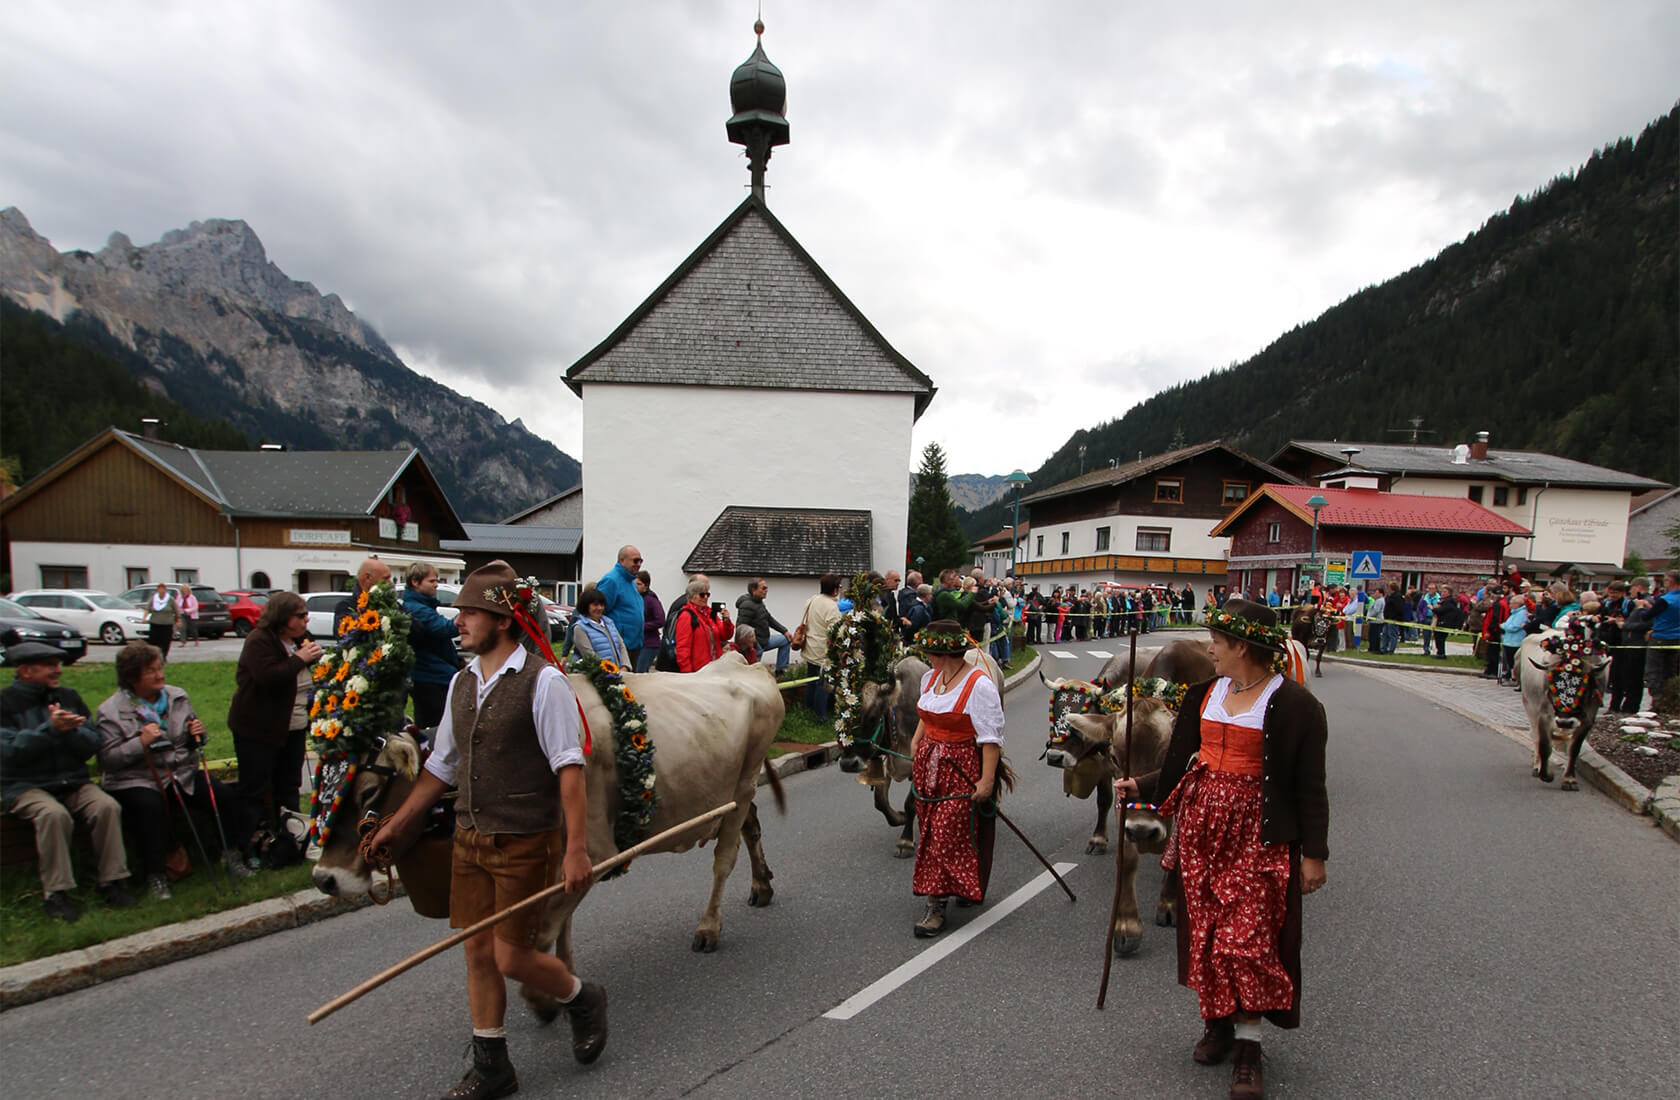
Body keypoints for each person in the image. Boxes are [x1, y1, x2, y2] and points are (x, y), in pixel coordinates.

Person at [367, 560, 604, 1099]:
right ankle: (493, 1065)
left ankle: (582, 997)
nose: (459, 622)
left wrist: (575, 850)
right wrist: (397, 825)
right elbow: (439, 767)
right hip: (469, 838)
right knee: (477, 954)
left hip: (524, 840)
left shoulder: (544, 682)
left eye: (470, 612)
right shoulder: (461, 682)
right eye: (459, 612)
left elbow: (570, 770)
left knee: (511, 957)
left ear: (502, 619)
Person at [1117, 598, 1328, 1100]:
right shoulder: (1204, 694)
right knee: (1208, 935)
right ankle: (1216, 1023)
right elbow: (1184, 763)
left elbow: (1310, 787)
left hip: (1258, 834)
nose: (1209, 647)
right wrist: (1142, 787)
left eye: (1217, 640)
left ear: (1242, 645)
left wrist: (1315, 853)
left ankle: (1250, 1048)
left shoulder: (1297, 706)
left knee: (1247, 941)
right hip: (1201, 829)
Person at [96, 642, 250, 898]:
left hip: (181, 772)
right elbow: (108, 760)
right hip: (137, 779)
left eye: (160, 668)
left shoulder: (177, 696)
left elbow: (192, 737)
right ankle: (156, 876)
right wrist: (140, 743)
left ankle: (232, 855)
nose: (160, 675)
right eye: (151, 671)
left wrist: (197, 735)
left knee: (221, 795)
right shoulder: (110, 711)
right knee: (150, 808)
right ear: (132, 678)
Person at [2, 643, 136, 920]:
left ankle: (112, 881)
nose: (58, 671)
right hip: (25, 785)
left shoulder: (68, 697)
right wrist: (50, 730)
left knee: (106, 807)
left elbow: (93, 743)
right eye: (50, 665)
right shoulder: (4, 704)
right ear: (27, 670)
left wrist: (69, 732)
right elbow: (10, 752)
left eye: (58, 664)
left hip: (72, 781)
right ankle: (56, 893)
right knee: (53, 815)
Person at [906, 620, 1006, 938]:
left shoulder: (979, 685)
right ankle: (956, 886)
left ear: (945, 653)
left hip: (960, 767)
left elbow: (990, 739)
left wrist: (987, 781)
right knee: (930, 830)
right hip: (928, 766)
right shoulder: (930, 678)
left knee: (946, 834)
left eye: (930, 653)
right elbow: (926, 714)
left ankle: (936, 905)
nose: (927, 658)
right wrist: (916, 742)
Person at [227, 592, 322, 864]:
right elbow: (269, 677)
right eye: (300, 615)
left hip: (292, 725)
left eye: (306, 615)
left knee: (288, 786)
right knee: (255, 789)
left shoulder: (302, 639)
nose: (306, 620)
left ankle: (290, 840)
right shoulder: (259, 641)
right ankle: (246, 847)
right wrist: (300, 659)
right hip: (257, 728)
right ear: (283, 619)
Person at [402, 562, 462, 733]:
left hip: (434, 674)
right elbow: (445, 629)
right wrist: (467, 611)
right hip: (431, 677)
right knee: (437, 727)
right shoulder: (417, 609)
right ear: (415, 582)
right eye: (431, 581)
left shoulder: (423, 607)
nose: (436, 584)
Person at [799, 574, 844, 720]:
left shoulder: (812, 600)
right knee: (823, 684)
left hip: (809, 647)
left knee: (811, 680)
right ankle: (821, 715)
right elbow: (835, 633)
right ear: (835, 590)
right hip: (823, 652)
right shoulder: (832, 608)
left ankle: (809, 708)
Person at [597, 545, 646, 671]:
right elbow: (597, 612)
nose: (639, 564)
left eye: (641, 561)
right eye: (635, 560)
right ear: (622, 560)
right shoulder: (611, 581)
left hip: (634, 643)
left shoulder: (631, 582)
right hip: (620, 646)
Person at [672, 575, 732, 673]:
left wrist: (727, 622)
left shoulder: (709, 613)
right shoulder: (686, 616)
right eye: (702, 595)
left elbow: (725, 635)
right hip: (698, 670)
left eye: (707, 595)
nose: (705, 597)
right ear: (692, 596)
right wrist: (687, 673)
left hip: (714, 666)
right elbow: (683, 648)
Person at [735, 578, 792, 673]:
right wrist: (754, 644)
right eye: (763, 588)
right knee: (752, 673)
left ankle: (780, 672)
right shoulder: (747, 605)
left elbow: (769, 618)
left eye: (767, 588)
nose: (766, 590)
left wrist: (784, 631)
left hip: (765, 640)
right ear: (754, 590)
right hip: (755, 645)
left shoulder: (758, 601)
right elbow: (740, 628)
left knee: (785, 640)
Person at [1643, 571, 1680, 710]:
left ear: (1671, 581)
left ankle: (1657, 701)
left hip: (1660, 637)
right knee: (1670, 671)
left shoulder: (1665, 599)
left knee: (1654, 671)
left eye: (1666, 580)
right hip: (1676, 638)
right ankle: (1670, 698)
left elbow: (1646, 617)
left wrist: (1641, 608)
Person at [333, 558, 393, 640]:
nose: (390, 583)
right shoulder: (346, 607)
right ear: (367, 577)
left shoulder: (391, 604)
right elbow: (347, 639)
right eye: (385, 578)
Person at [570, 587, 631, 666]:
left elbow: (621, 645)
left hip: (618, 672)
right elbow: (589, 656)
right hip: (600, 674)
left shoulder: (609, 623)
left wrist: (625, 666)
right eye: (595, 605)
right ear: (586, 606)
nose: (599, 608)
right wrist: (609, 671)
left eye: (602, 605)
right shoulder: (580, 628)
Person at [634, 571, 665, 674]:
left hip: (650, 643)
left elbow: (660, 620)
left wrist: (642, 626)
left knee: (641, 671)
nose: (635, 587)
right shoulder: (635, 598)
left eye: (639, 584)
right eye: (634, 584)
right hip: (638, 642)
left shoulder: (651, 600)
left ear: (646, 586)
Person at [145, 582, 178, 659]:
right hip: (155, 624)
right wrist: (144, 618)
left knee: (165, 642)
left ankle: (163, 657)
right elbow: (147, 609)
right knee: (154, 642)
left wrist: (178, 621)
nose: (161, 591)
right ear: (157, 590)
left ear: (165, 590)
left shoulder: (170, 599)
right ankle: (154, 657)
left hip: (167, 625)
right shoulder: (153, 599)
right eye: (160, 589)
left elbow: (176, 611)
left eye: (163, 589)